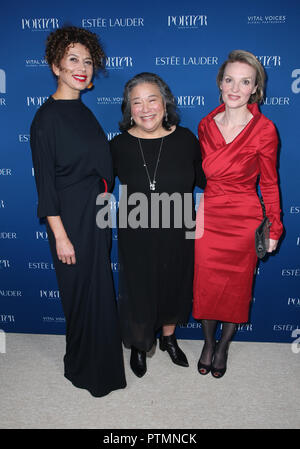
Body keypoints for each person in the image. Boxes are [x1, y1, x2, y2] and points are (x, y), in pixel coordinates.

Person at [30, 26, 126, 397]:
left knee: (96, 291)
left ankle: (97, 364)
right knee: (80, 293)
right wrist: (61, 236)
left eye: (87, 61)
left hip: (96, 214)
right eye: (73, 59)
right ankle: (86, 370)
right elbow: (46, 186)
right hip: (70, 218)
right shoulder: (46, 119)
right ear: (56, 65)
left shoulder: (83, 112)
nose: (82, 67)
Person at [193, 50, 283, 378]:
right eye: (229, 79)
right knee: (205, 284)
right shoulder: (205, 125)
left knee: (236, 288)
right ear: (220, 82)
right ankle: (206, 342)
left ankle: (224, 346)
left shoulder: (265, 129)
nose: (235, 87)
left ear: (255, 88)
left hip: (244, 217)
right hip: (210, 213)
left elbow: (270, 183)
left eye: (245, 82)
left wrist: (274, 226)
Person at [110, 73, 206, 377]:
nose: (145, 108)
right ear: (129, 109)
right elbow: (94, 183)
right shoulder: (119, 145)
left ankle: (168, 338)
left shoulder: (187, 139)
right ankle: (140, 345)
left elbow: (208, 181)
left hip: (178, 229)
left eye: (152, 99)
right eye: (136, 102)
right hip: (136, 231)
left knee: (175, 285)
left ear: (165, 103)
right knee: (139, 288)